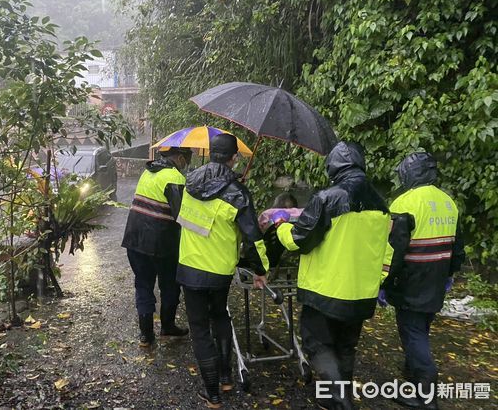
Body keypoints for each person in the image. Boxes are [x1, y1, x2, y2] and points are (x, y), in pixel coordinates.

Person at [274, 141, 392, 410]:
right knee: (345, 347)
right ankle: (331, 399)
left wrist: (280, 224)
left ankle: (342, 402)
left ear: (333, 166)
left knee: (318, 345)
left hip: (325, 292)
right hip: (361, 293)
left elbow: (298, 240)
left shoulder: (327, 198)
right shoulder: (380, 203)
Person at [176, 133, 269, 408]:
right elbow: (253, 237)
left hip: (190, 266)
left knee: (199, 329)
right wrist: (261, 270)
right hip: (219, 271)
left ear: (209, 152)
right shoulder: (237, 193)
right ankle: (225, 377)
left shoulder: (189, 182)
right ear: (233, 157)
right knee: (220, 317)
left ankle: (211, 392)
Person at [379, 152, 465, 410]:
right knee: (421, 328)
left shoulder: (404, 202)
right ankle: (413, 372)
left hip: (411, 282)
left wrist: (383, 282)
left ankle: (425, 395)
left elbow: (393, 250)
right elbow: (457, 246)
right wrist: (450, 273)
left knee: (413, 332)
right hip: (437, 280)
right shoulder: (448, 202)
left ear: (406, 173)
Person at [121, 147, 193, 346]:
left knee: (143, 284)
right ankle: (167, 327)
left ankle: (146, 335)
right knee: (169, 284)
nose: (185, 166)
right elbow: (181, 215)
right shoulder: (174, 177)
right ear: (179, 158)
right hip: (161, 243)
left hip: (134, 239)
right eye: (186, 161)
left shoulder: (148, 172)